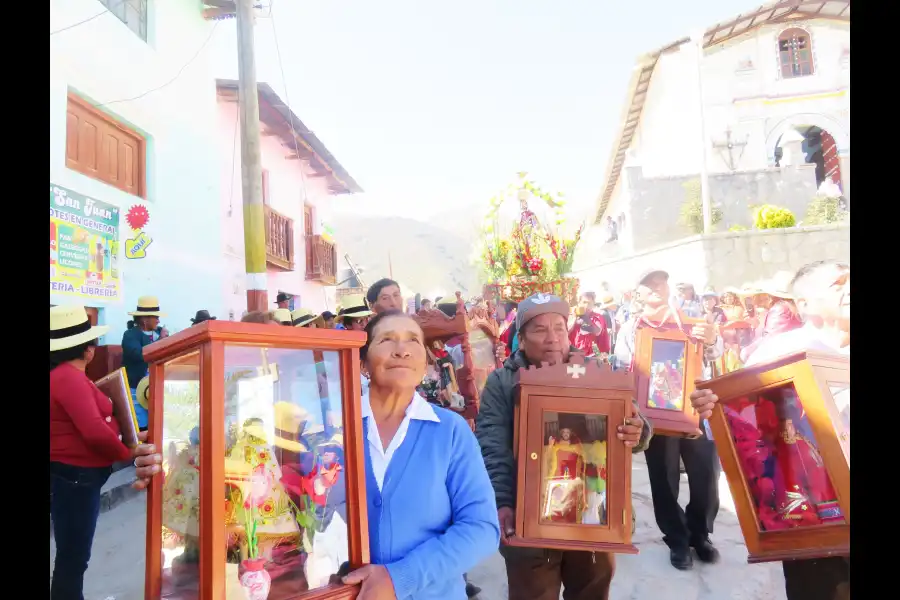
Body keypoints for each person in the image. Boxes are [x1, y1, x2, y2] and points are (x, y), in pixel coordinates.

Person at [690, 260, 849, 600]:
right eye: (838, 283)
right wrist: (714, 410)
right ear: (804, 304)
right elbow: (736, 423)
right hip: (818, 518)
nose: (848, 287)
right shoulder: (779, 353)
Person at [476, 293, 652, 600]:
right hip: (529, 514)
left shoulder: (596, 372)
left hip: (593, 514)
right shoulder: (503, 382)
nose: (552, 339)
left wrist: (638, 430)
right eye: (539, 330)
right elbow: (492, 447)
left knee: (592, 588)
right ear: (522, 337)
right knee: (533, 591)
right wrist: (504, 502)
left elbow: (633, 417)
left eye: (559, 328)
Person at [338, 310, 500, 599]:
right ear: (363, 363)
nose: (401, 350)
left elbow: (481, 527)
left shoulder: (450, 432)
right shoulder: (335, 429)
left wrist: (399, 578)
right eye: (387, 340)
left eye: (413, 340)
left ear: (425, 363)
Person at [51, 305, 164, 600]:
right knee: (73, 558)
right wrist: (130, 450)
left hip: (76, 475)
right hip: (76, 477)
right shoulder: (68, 378)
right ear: (87, 350)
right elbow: (93, 430)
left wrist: (129, 436)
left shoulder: (69, 376)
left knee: (72, 556)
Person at [614, 269, 723, 571]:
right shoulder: (631, 329)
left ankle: (700, 534)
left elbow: (713, 354)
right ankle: (677, 539)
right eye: (649, 286)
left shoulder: (691, 322)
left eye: (660, 284)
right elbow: (624, 368)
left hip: (696, 410)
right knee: (664, 479)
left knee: (706, 476)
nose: (656, 290)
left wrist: (712, 339)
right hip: (654, 416)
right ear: (638, 293)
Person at [121, 296, 168, 432]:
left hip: (157, 389)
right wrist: (161, 341)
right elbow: (140, 354)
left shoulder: (160, 333)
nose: (158, 321)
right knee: (140, 426)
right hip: (136, 389)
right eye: (155, 317)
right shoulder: (130, 335)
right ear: (145, 319)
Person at [568, 291, 611, 358]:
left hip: (592, 356)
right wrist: (574, 318)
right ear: (579, 303)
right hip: (573, 356)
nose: (586, 306)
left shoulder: (597, 317)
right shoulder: (572, 316)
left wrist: (586, 319)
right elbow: (566, 331)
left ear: (593, 304)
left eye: (589, 303)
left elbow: (597, 331)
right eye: (584, 302)